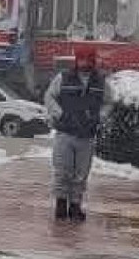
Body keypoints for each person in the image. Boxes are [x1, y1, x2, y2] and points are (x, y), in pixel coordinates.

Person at [45, 46, 108, 222]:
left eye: (88, 60)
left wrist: (99, 117)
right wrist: (60, 114)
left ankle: (75, 205)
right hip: (65, 132)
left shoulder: (101, 82)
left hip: (86, 135)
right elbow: (49, 97)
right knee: (62, 170)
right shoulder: (63, 78)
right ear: (76, 60)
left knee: (81, 173)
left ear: (93, 61)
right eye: (81, 60)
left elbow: (109, 102)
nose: (84, 64)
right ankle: (60, 204)